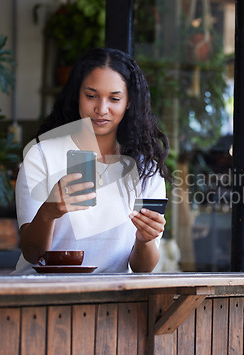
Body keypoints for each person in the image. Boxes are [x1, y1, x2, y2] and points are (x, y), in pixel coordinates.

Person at [13, 48, 171, 274]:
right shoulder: (42, 156)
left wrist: (145, 240)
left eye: (114, 98)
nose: (101, 109)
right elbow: (31, 253)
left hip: (110, 300)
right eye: (91, 96)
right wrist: (48, 212)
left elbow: (142, 269)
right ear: (77, 95)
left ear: (129, 102)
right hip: (43, 296)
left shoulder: (145, 170)